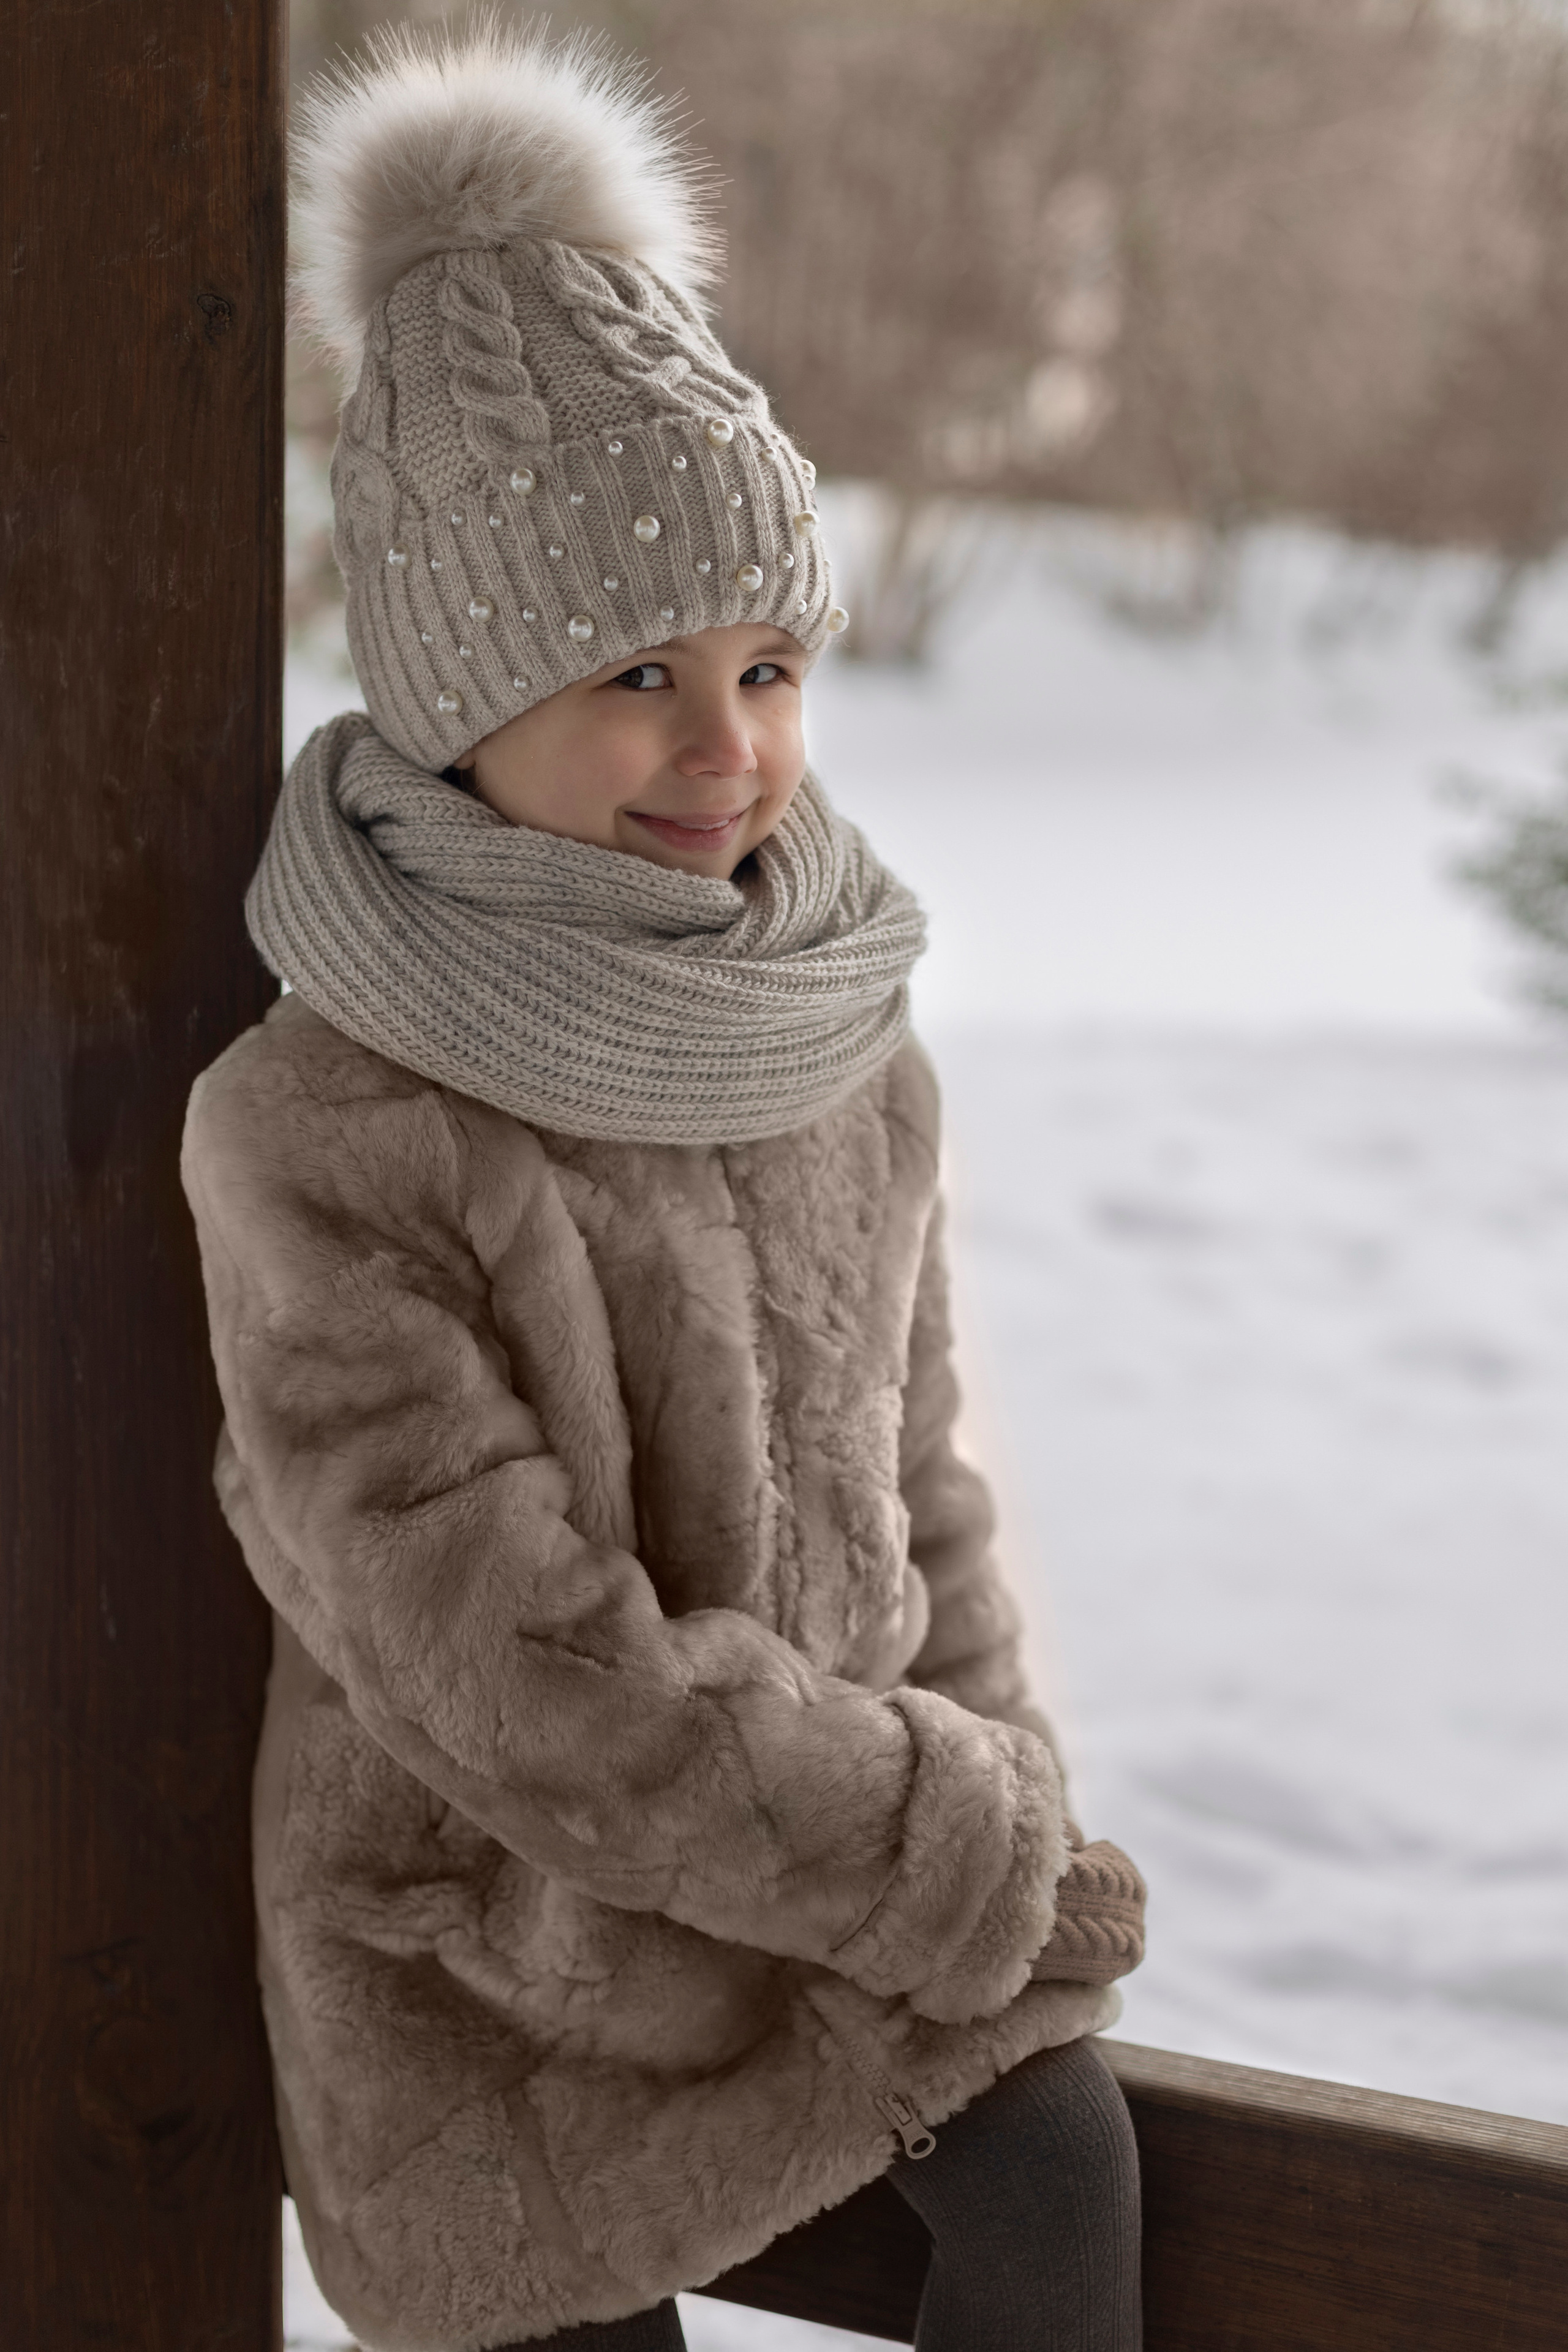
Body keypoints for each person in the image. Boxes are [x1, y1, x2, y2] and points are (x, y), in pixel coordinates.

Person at [182, 21, 1147, 2350]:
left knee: (1066, 2177)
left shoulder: (838, 1041)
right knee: (557, 2289)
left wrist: (1002, 1818)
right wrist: (940, 1852)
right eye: (636, 671)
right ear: (455, 697)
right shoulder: (329, 1126)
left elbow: (924, 1501)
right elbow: (497, 1659)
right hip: (505, 1954)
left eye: (773, 664)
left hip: (837, 1904)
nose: (729, 749)